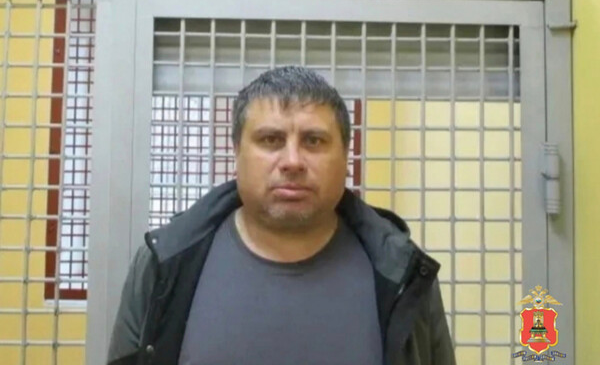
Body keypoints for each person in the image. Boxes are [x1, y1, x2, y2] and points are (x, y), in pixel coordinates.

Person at [107, 66, 455, 365]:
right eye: (271, 139)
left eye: (314, 141)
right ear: (237, 153)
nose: (292, 161)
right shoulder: (166, 264)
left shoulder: (401, 272)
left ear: (346, 157)